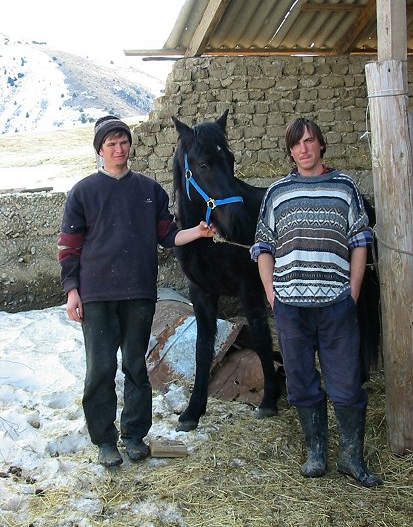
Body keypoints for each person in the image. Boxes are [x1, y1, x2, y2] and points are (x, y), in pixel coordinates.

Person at [58, 115, 215, 467]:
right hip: (96, 295)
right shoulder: (83, 192)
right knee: (99, 369)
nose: (118, 148)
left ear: (130, 146)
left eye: (123, 142)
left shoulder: (149, 191)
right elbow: (68, 246)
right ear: (100, 150)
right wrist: (72, 290)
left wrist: (198, 232)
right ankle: (105, 441)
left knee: (135, 368)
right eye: (111, 143)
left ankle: (133, 435)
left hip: (139, 294)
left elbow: (168, 235)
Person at [250, 117, 382, 487]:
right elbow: (263, 247)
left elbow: (360, 241)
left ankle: (351, 458)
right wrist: (271, 293)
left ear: (321, 144)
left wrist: (352, 292)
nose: (303, 149)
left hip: (336, 307)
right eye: (296, 144)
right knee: (302, 382)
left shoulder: (344, 188)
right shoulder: (277, 193)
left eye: (309, 141)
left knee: (346, 384)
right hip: (291, 308)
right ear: (290, 151)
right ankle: (316, 453)